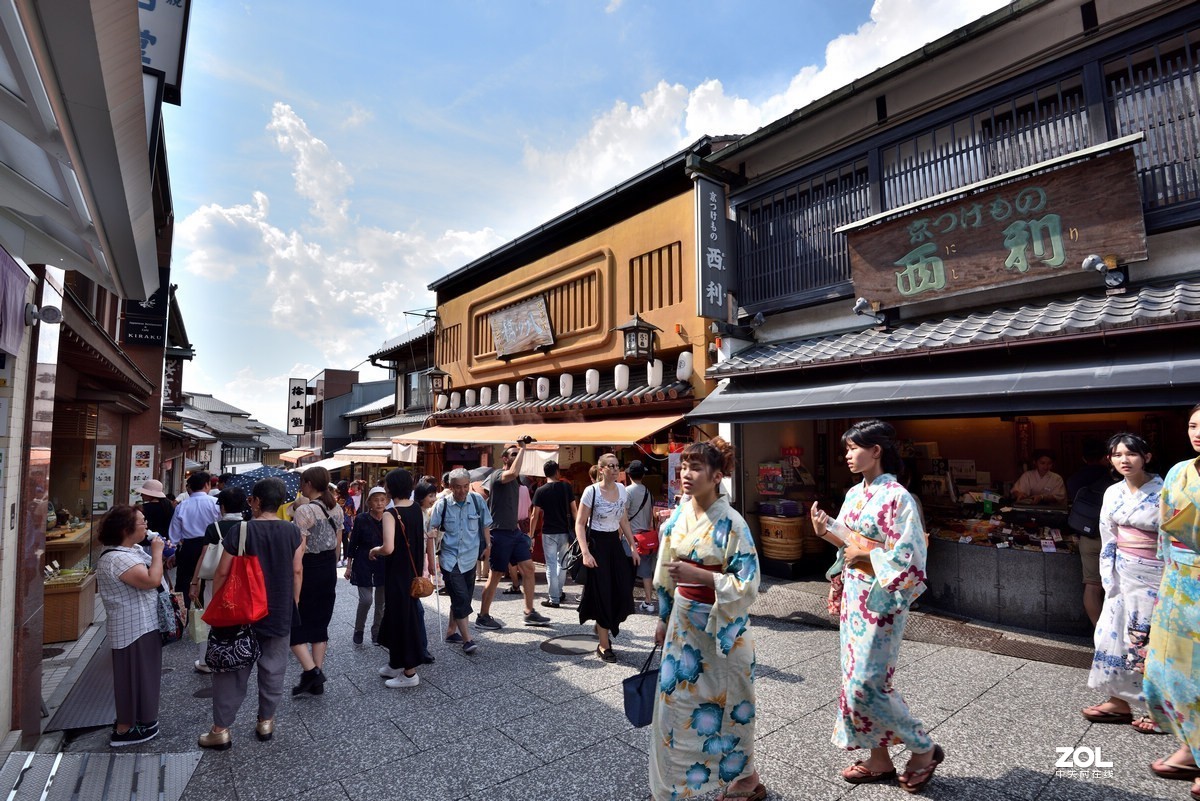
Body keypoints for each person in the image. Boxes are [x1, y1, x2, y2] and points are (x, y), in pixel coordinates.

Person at [810, 419, 943, 793]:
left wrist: (866, 557)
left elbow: (911, 557)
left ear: (876, 450)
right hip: (855, 596)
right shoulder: (855, 494)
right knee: (855, 677)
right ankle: (879, 760)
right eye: (847, 449)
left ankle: (923, 747)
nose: (848, 456)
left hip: (882, 598)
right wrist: (825, 530)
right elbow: (848, 542)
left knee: (867, 683)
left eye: (853, 448)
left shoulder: (899, 498)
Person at [650, 438, 764, 801]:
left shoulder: (733, 523)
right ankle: (672, 785)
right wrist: (663, 618)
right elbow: (665, 573)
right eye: (684, 466)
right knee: (674, 707)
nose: (686, 474)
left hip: (721, 630)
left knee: (729, 708)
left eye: (696, 468)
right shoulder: (679, 515)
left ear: (717, 477)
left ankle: (746, 778)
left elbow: (748, 584)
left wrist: (702, 576)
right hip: (682, 624)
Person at [198, 478, 304, 749]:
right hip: (279, 609)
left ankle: (220, 730)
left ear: (256, 501)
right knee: (273, 669)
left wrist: (221, 604)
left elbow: (222, 572)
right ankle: (265, 722)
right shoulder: (293, 531)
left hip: (241, 612)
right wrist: (293, 601)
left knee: (231, 672)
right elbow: (296, 570)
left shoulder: (241, 530)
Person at [1080, 432, 1164, 733]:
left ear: (1147, 457)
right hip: (1121, 573)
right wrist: (1108, 577)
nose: (1124, 460)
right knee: (1112, 636)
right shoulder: (1113, 492)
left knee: (1148, 641)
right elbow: (1109, 536)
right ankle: (1118, 701)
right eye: (1117, 455)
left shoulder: (1165, 491)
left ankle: (1159, 710)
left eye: (1131, 454)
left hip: (1155, 575)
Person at [1145, 403, 1200, 797]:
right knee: (1171, 670)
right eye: (1194, 425)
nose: (1198, 432)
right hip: (1179, 581)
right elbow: (1165, 531)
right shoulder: (1179, 471)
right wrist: (1164, 578)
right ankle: (1189, 745)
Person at [95, 505, 164, 747]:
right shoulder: (118, 558)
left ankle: (141, 720)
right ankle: (127, 728)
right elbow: (151, 580)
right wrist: (157, 552)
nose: (146, 525)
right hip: (133, 626)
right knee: (134, 676)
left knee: (142, 674)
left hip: (140, 623)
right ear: (126, 529)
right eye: (142, 522)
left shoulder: (127, 551)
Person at [370, 469, 435, 688]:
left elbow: (388, 548)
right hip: (412, 572)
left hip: (398, 573)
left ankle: (409, 673)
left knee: (402, 619)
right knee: (397, 615)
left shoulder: (391, 513)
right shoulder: (416, 508)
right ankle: (395, 662)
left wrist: (375, 550)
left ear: (391, 488)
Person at [476, 441, 552, 629]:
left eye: (517, 454)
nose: (517, 456)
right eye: (513, 454)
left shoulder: (517, 482)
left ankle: (529, 612)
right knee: (495, 575)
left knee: (529, 569)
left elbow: (515, 474)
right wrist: (523, 448)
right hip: (499, 533)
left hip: (514, 532)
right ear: (504, 458)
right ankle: (483, 616)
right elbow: (513, 472)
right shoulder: (497, 475)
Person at [575, 452, 638, 662]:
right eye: (610, 466)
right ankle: (604, 644)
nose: (615, 469)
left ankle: (602, 626)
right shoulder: (591, 491)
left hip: (614, 544)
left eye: (617, 465)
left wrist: (633, 546)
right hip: (597, 545)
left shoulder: (622, 490)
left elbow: (623, 520)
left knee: (621, 589)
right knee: (603, 593)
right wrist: (585, 552)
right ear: (601, 469)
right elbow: (579, 524)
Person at [289, 465, 344, 696]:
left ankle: (312, 672)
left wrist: (295, 590)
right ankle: (316, 678)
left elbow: (299, 552)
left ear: (309, 484)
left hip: (309, 569)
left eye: (302, 482)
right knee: (320, 624)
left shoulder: (305, 511)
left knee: (295, 625)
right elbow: (338, 545)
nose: (301, 487)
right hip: (328, 568)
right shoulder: (336, 508)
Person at [429, 468, 491, 654]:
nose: (462, 491)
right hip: (449, 559)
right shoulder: (442, 505)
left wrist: (488, 545)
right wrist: (431, 561)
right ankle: (467, 639)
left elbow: (485, 524)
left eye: (465, 486)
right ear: (450, 486)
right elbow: (431, 532)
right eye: (457, 487)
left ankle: (451, 632)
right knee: (461, 597)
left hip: (470, 558)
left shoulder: (477, 501)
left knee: (461, 597)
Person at [191, 487, 248, 675]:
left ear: (222, 507)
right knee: (239, 617)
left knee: (210, 617)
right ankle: (239, 655)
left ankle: (207, 660)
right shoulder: (249, 526)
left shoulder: (213, 528)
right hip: (241, 580)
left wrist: (194, 582)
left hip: (214, 579)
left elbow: (203, 556)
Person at [1069, 439, 1113, 626]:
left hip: (1088, 536)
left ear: (1083, 458)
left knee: (1092, 586)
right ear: (1106, 458)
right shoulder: (1115, 477)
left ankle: (1099, 632)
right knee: (1117, 587)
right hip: (1115, 537)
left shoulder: (1075, 478)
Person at [530, 461, 577, 609]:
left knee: (550, 565)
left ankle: (554, 598)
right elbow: (574, 510)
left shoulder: (540, 491)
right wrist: (579, 529)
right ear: (557, 472)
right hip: (564, 531)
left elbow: (534, 515)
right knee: (562, 563)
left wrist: (531, 535)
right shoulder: (566, 487)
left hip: (548, 532)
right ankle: (559, 592)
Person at [169, 472, 220, 609]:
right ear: (207, 485)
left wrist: (173, 552)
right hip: (211, 547)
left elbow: (174, 533)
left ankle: (182, 614)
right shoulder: (215, 503)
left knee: (184, 583)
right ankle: (203, 613)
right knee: (207, 582)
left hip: (188, 547)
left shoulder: (182, 505)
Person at [345, 486, 388, 645]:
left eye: (382, 500)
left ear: (387, 501)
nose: (379, 503)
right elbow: (353, 543)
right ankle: (359, 629)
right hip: (363, 561)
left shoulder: (389, 517)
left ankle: (377, 632)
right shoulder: (362, 518)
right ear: (369, 502)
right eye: (376, 500)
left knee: (381, 602)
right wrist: (349, 566)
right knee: (366, 600)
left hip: (384, 562)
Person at [625, 460, 658, 614]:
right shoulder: (648, 492)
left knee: (628, 570)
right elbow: (651, 517)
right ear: (643, 475)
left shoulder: (627, 492)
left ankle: (627, 601)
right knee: (646, 572)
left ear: (629, 475)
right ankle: (649, 602)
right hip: (645, 539)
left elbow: (623, 516)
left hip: (630, 537)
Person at [336, 480, 356, 567]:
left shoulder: (337, 499)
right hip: (347, 521)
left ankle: (338, 559)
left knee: (338, 541)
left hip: (338, 521)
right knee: (345, 541)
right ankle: (345, 558)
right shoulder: (350, 499)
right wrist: (353, 521)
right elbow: (353, 511)